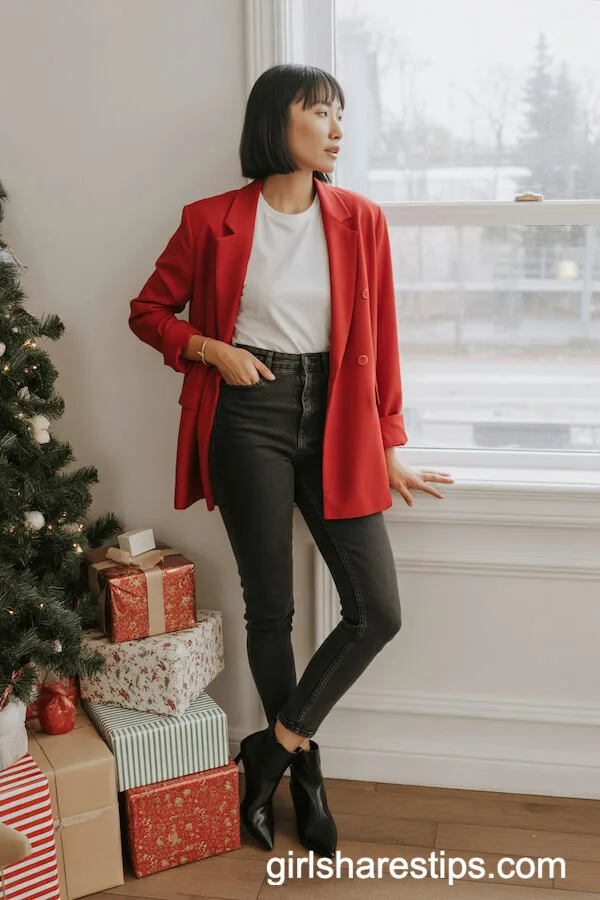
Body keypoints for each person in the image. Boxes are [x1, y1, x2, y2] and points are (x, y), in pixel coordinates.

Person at [129, 63, 453, 858]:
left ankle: (272, 751)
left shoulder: (360, 219)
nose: (337, 128)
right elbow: (148, 310)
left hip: (338, 418)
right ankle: (307, 779)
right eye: (320, 112)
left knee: (377, 611)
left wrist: (388, 444)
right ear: (278, 122)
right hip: (249, 416)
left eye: (340, 114)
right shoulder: (209, 220)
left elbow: (381, 341)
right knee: (270, 610)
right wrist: (211, 350)